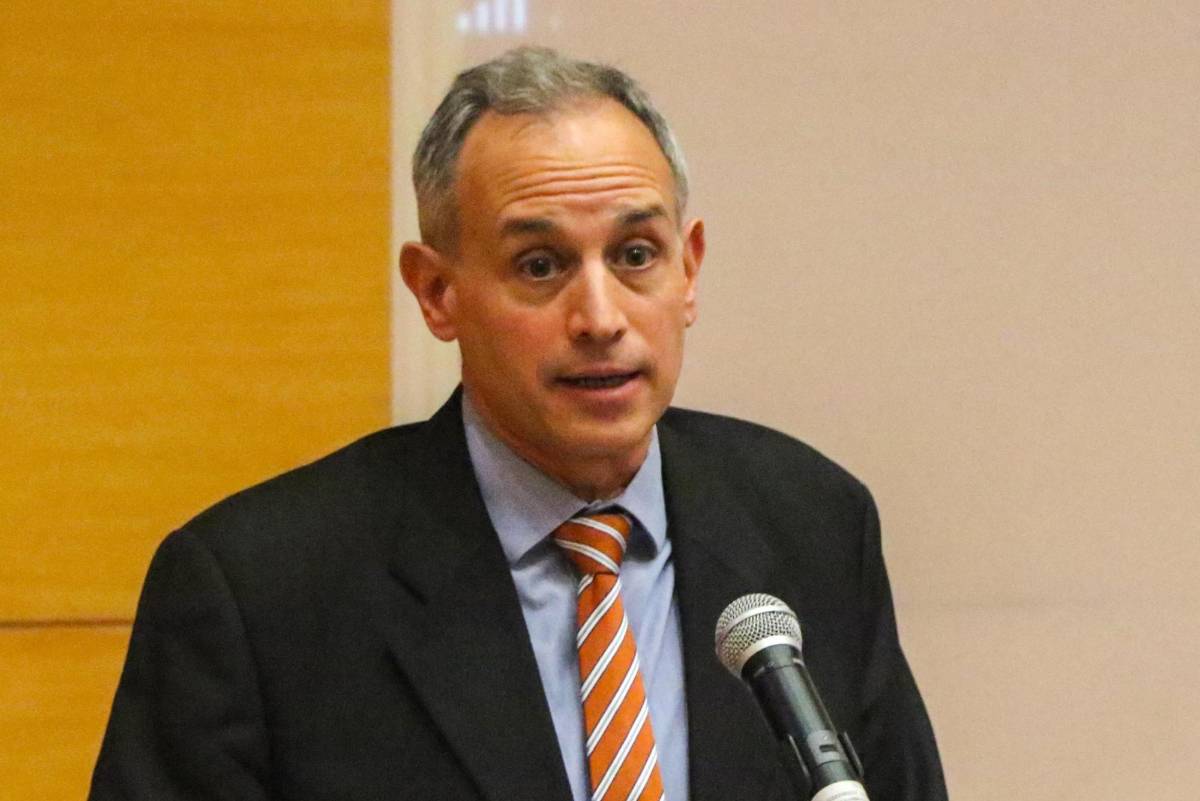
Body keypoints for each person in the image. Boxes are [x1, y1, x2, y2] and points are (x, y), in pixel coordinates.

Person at [90, 47, 946, 801]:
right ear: (438, 292)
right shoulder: (260, 591)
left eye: (635, 255)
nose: (600, 317)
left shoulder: (811, 524)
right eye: (540, 265)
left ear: (688, 272)